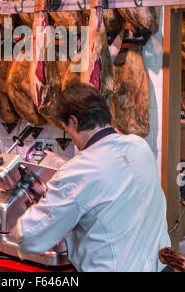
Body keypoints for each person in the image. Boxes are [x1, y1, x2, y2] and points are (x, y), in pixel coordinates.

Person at [11, 83, 171, 272]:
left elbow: (30, 237)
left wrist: (12, 231)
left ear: (73, 121)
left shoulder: (79, 171)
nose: (71, 137)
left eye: (66, 129)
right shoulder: (140, 146)